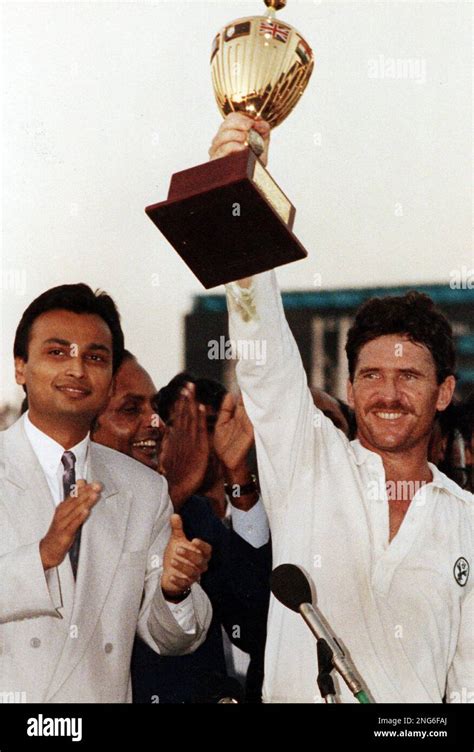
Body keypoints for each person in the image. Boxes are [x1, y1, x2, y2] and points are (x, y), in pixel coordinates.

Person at [209, 113, 473, 704]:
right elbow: (260, 352)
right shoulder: (309, 464)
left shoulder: (467, 523)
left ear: (444, 392)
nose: (387, 394)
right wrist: (239, 193)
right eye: (371, 376)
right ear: (350, 389)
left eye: (409, 377)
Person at [0, 284, 212, 703]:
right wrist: (40, 557)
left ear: (110, 376)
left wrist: (175, 589)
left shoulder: (143, 488)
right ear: (20, 368)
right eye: (58, 352)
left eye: (95, 357)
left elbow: (171, 639)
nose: (77, 370)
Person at [93, 359, 271, 702]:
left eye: (155, 409)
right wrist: (172, 493)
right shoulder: (62, 511)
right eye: (131, 410)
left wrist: (237, 474)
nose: (155, 424)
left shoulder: (194, 514)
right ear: (86, 427)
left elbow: (254, 625)